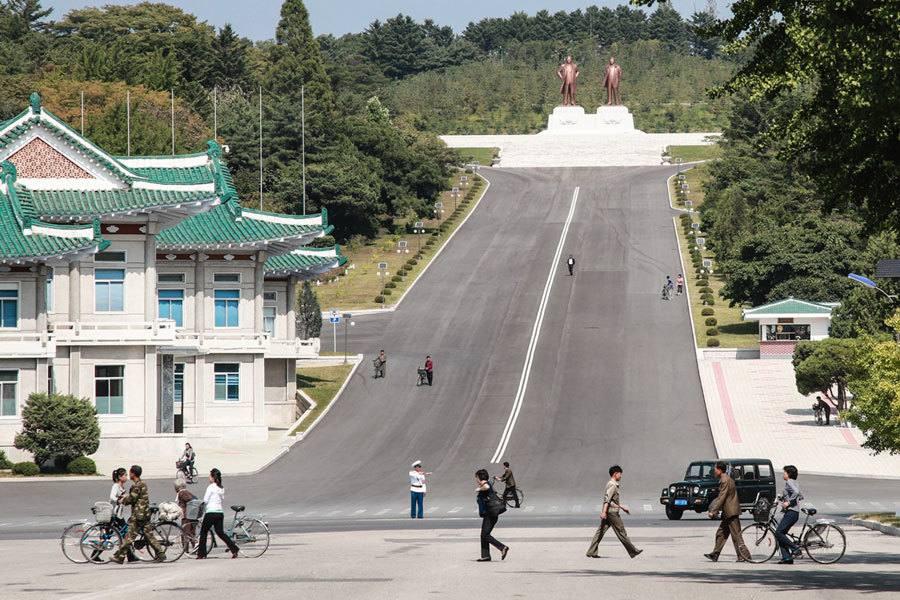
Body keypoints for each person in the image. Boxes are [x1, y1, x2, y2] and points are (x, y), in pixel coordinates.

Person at [112, 465, 165, 563]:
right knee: (149, 535)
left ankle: (119, 556)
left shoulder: (136, 486)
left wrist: (123, 500)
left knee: (129, 537)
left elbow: (132, 499)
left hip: (138, 515)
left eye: (130, 473)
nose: (129, 475)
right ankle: (160, 553)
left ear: (133, 473)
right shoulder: (143, 483)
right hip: (145, 513)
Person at [586, 465, 642, 558]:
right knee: (621, 532)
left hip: (609, 511)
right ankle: (633, 551)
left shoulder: (611, 484)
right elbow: (607, 499)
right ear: (615, 474)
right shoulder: (612, 485)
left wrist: (622, 508)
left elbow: (613, 500)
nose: (621, 476)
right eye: (620, 474)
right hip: (612, 513)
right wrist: (604, 512)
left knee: (600, 532)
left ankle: (591, 552)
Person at [704, 461, 751, 562]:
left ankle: (744, 556)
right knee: (721, 533)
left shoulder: (725, 481)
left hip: (731, 512)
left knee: (736, 535)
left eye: (715, 469)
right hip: (728, 512)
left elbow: (721, 497)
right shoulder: (726, 479)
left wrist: (713, 511)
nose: (713, 471)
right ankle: (715, 554)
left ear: (720, 470)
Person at [197, 468, 239, 559]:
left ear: (213, 477)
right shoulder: (221, 488)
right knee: (220, 533)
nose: (209, 477)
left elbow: (205, 500)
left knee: (203, 532)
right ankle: (234, 548)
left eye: (210, 476)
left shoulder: (211, 487)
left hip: (211, 512)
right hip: (219, 512)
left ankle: (201, 554)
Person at [475, 469, 509, 562]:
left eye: (477, 478)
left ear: (480, 477)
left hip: (491, 514)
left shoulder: (486, 484)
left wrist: (479, 489)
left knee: (485, 535)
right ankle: (485, 555)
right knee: (483, 535)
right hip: (489, 514)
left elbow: (486, 487)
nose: (477, 480)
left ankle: (502, 547)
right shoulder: (487, 484)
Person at [775, 465, 804, 564]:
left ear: (788, 474)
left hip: (791, 512)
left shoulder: (789, 482)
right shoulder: (795, 483)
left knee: (778, 533)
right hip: (794, 512)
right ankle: (787, 558)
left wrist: (788, 502)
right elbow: (801, 496)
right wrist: (785, 499)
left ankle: (795, 549)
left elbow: (796, 492)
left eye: (785, 472)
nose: (783, 474)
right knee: (781, 534)